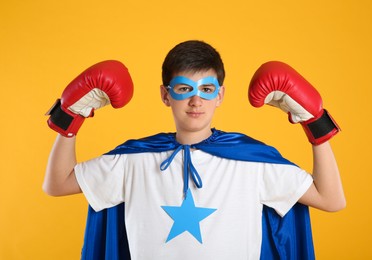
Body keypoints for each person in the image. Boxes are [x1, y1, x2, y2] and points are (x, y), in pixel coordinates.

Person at [43, 40, 346, 260]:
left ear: (220, 95)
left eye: (207, 89)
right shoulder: (133, 160)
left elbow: (330, 199)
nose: (196, 101)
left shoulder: (252, 161)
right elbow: (57, 184)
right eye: (184, 89)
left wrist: (315, 123)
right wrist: (70, 115)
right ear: (166, 95)